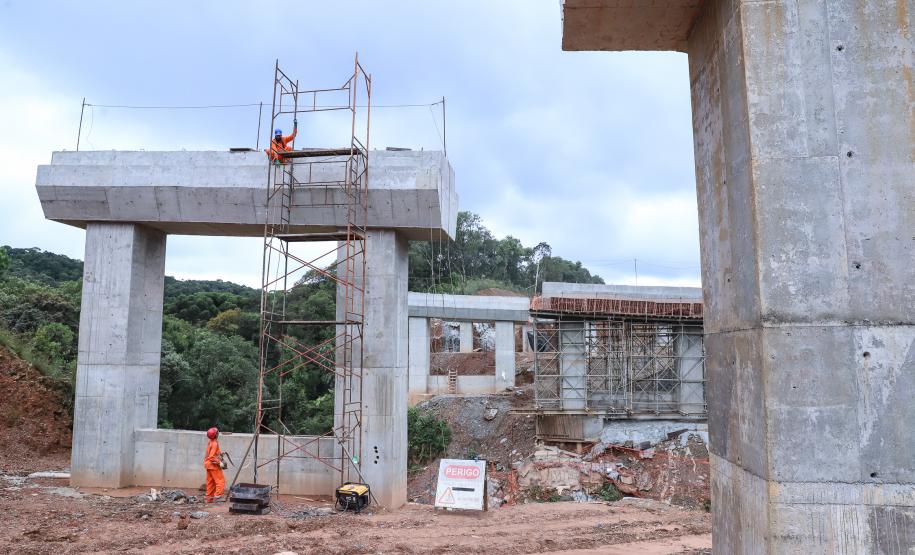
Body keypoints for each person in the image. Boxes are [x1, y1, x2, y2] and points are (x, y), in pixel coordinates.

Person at [204, 427, 226, 503]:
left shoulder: (210, 442)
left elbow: (211, 454)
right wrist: (219, 462)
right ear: (215, 435)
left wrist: (219, 454)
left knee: (210, 482)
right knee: (220, 480)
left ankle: (209, 498)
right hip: (213, 465)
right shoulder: (215, 443)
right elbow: (212, 456)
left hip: (208, 464)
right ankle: (218, 497)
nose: (218, 433)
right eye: (217, 432)